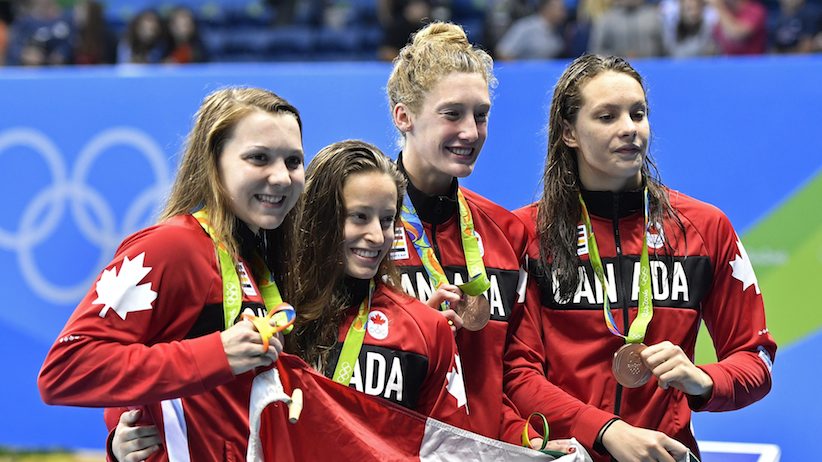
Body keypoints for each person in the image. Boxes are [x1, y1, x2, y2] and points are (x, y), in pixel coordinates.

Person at [504, 54, 777, 461]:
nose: (629, 128)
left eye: (638, 113)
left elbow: (756, 359)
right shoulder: (524, 234)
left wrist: (702, 379)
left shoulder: (704, 228)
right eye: (607, 116)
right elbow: (515, 373)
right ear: (569, 132)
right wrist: (605, 431)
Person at [37, 87, 306, 461]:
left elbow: (175, 374)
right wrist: (217, 354)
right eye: (259, 158)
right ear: (213, 163)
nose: (281, 177)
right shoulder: (170, 248)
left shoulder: (259, 260)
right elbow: (67, 369)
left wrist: (124, 431)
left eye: (293, 161)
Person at [385, 21, 540, 445]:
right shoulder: (354, 227)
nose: (471, 132)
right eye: (452, 114)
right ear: (404, 116)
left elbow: (505, 374)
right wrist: (414, 329)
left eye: (481, 115)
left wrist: (530, 440)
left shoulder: (507, 233)